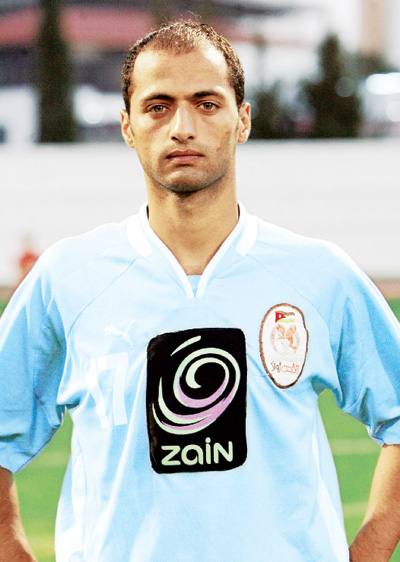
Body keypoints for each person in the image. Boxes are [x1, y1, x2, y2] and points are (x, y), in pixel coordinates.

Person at [0, 19, 400, 562]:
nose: (182, 127)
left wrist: (370, 552)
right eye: (158, 106)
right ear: (127, 126)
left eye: (207, 104)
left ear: (242, 120)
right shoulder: (66, 277)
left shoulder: (319, 274)